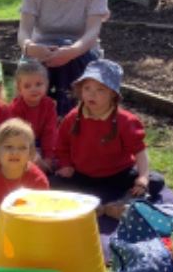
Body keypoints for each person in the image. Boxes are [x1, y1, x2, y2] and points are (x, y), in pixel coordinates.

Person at [17, 0, 109, 117]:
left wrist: (70, 51)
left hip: (81, 53)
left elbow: (92, 32)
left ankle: (67, 122)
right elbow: (23, 32)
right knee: (31, 72)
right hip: (42, 51)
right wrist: (30, 47)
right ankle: (32, 124)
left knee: (69, 61)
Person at [53, 59, 165, 210]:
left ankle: (121, 204)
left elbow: (139, 151)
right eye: (87, 88)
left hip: (119, 173)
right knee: (52, 181)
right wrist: (65, 164)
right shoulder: (73, 117)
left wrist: (143, 177)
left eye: (100, 89)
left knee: (155, 180)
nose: (92, 94)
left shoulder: (126, 120)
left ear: (113, 93)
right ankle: (90, 204)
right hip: (83, 173)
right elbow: (61, 144)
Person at [0, 118, 49, 252]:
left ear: (31, 153)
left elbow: (39, 213)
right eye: (8, 147)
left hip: (27, 226)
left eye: (22, 148)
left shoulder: (38, 180)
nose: (15, 152)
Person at [8, 57, 58, 173]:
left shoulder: (49, 105)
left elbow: (50, 133)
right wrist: (35, 156)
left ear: (46, 85)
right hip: (22, 143)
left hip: (43, 142)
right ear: (19, 89)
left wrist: (48, 158)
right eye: (27, 86)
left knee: (58, 160)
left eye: (38, 84)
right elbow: (17, 136)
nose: (34, 89)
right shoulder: (15, 108)